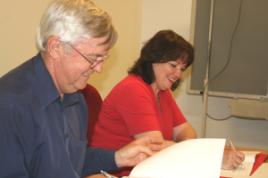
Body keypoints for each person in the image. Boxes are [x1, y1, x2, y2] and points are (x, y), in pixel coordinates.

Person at [0, 0, 162, 177]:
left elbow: (72, 162)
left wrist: (117, 157)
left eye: (103, 59)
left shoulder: (76, 97)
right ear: (56, 48)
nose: (99, 69)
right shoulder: (10, 104)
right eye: (93, 58)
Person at [90, 30, 244, 176]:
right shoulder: (132, 89)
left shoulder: (162, 91)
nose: (178, 74)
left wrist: (184, 149)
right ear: (154, 59)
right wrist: (212, 158)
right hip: (114, 174)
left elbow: (187, 132)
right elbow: (156, 147)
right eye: (173, 65)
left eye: (182, 68)